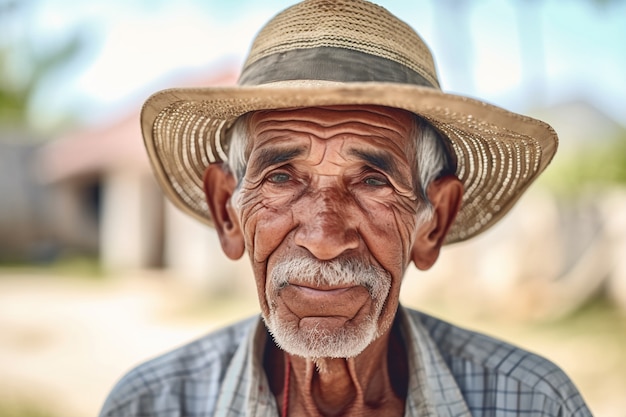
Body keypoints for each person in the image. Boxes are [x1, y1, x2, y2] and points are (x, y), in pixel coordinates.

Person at [100, 1, 592, 416]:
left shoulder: (534, 402)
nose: (324, 235)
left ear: (433, 222)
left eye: (373, 181)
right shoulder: (151, 404)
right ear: (227, 213)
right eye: (281, 177)